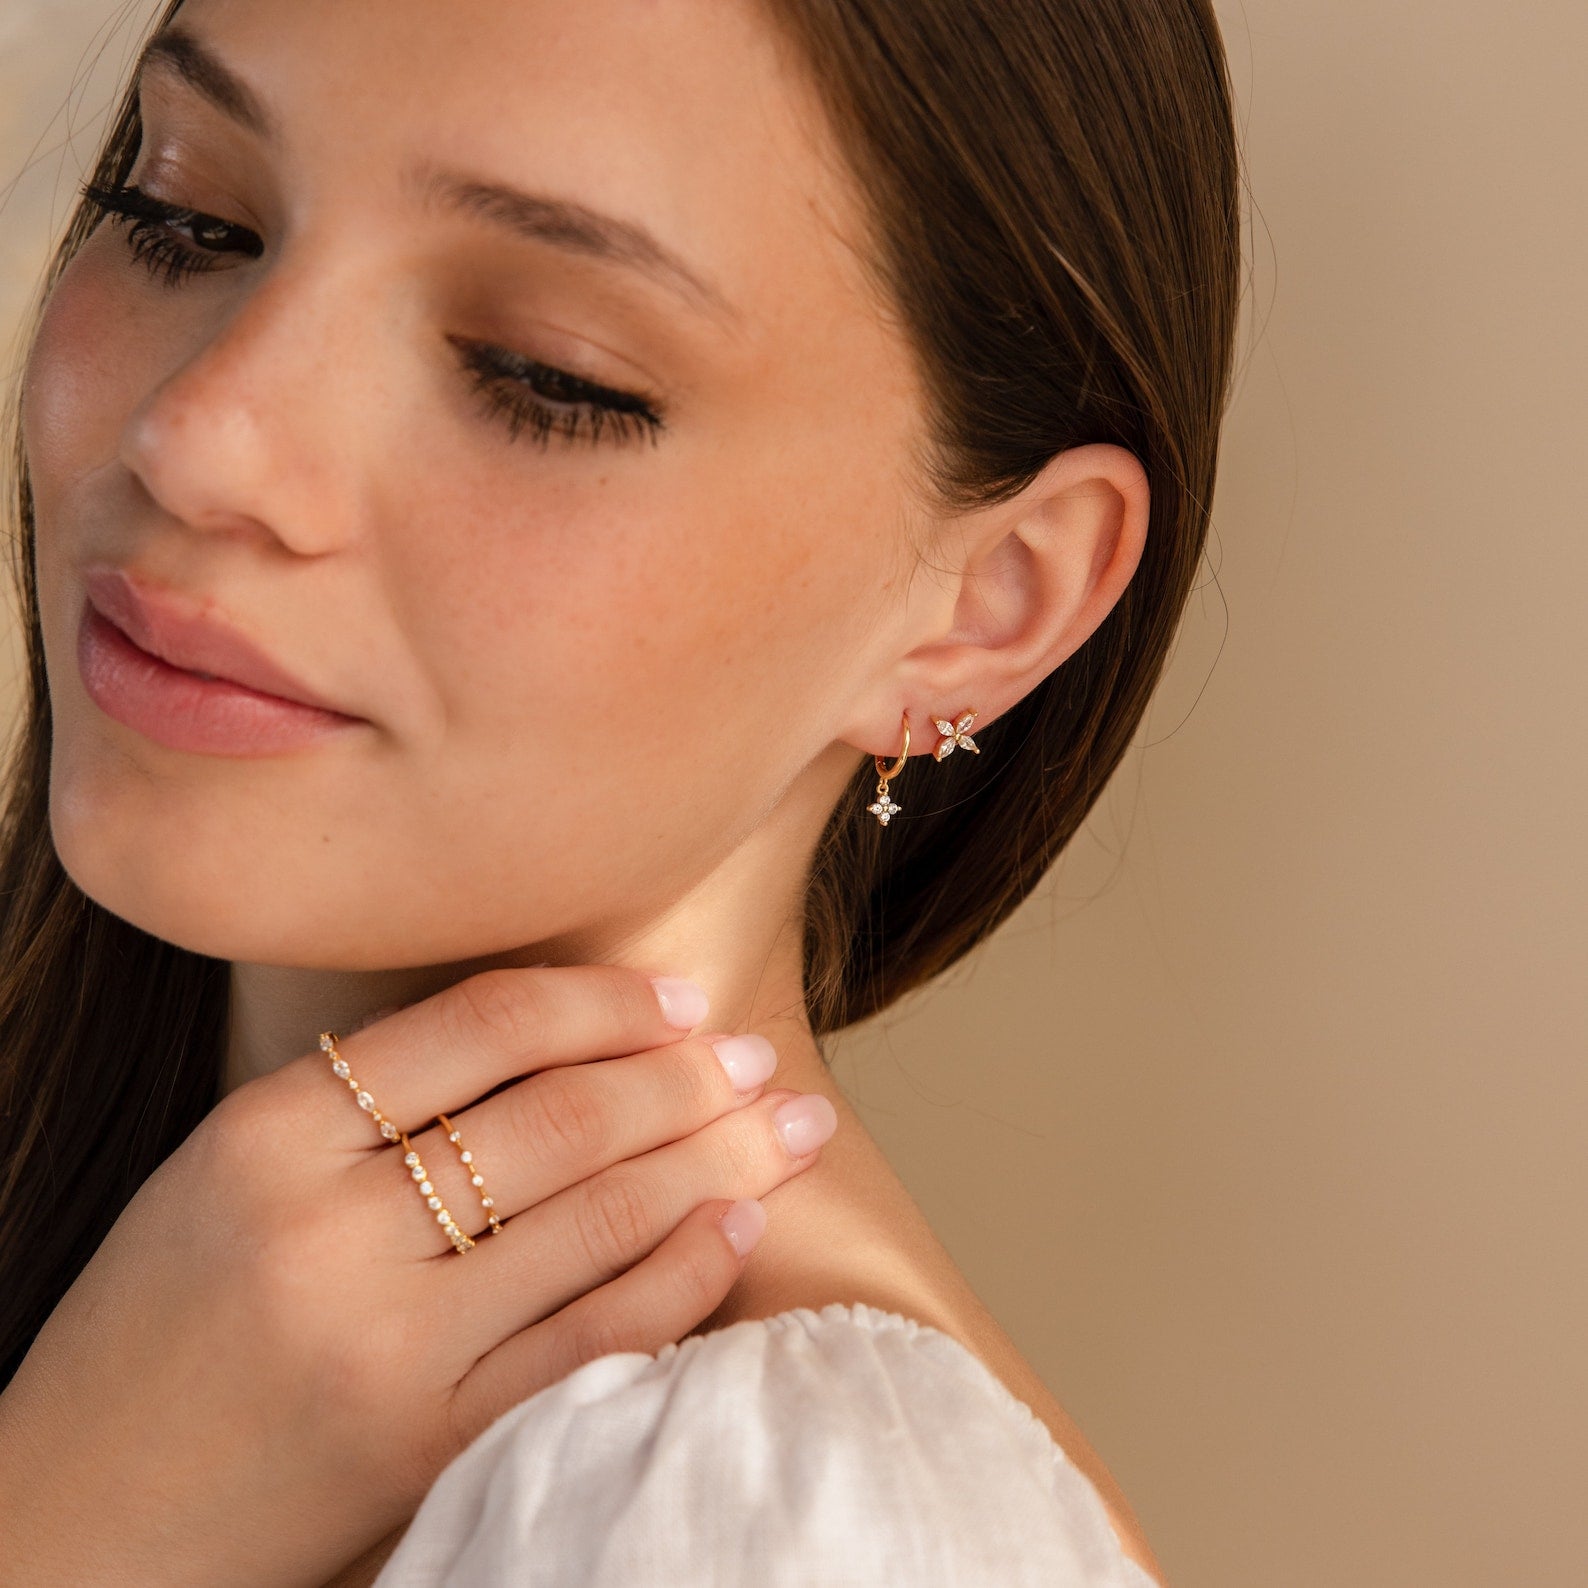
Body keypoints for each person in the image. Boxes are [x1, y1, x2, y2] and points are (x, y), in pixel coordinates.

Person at [0, 0, 1241, 1582]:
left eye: (542, 374)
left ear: (992, 597)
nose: (201, 437)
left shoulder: (765, 1516)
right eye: (185, 217)